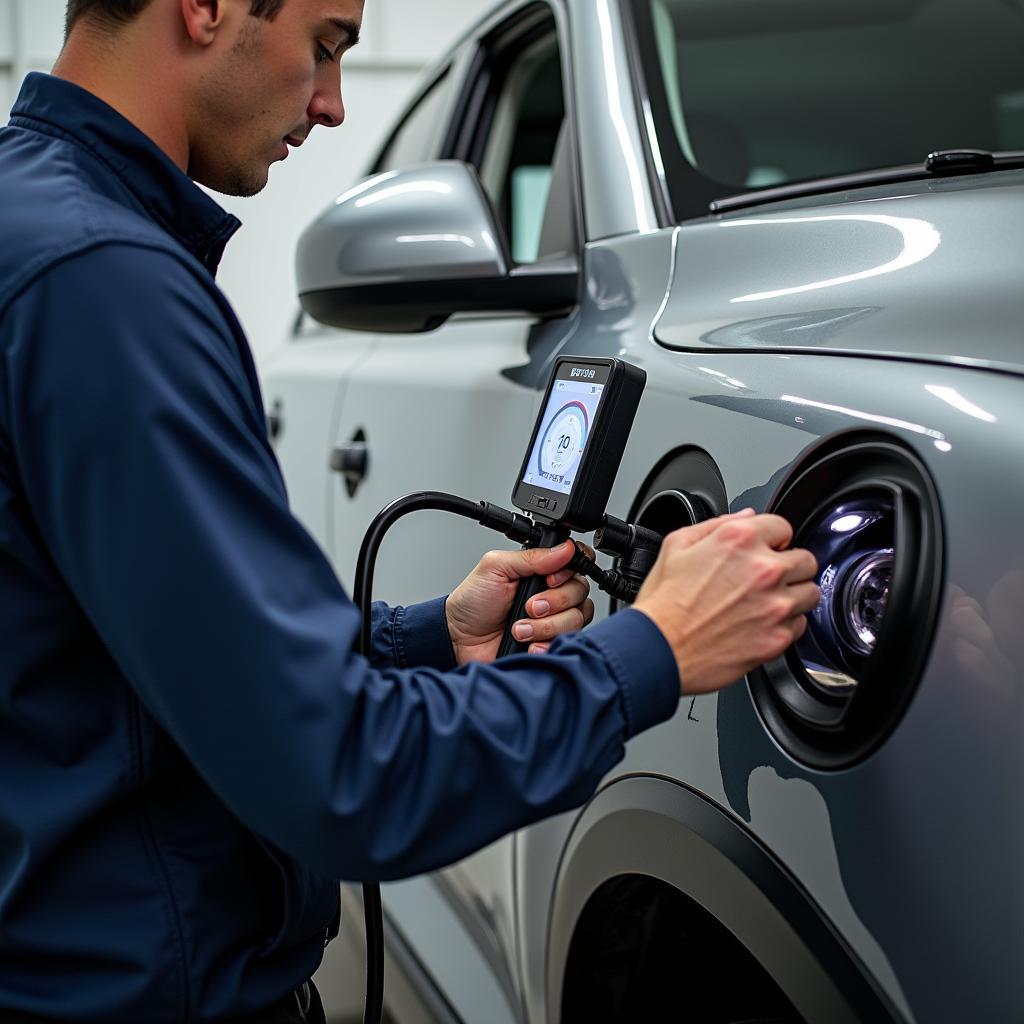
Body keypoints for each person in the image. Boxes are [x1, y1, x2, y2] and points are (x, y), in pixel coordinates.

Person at [0, 1, 820, 1021]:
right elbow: (334, 777)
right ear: (205, 7)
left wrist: (427, 634)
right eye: (328, 43)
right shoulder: (103, 288)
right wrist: (653, 648)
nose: (336, 103)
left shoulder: (36, 226)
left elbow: (125, 664)